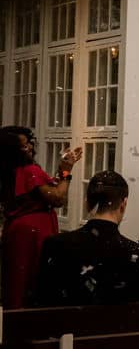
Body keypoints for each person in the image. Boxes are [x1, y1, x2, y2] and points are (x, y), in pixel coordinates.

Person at [0, 127, 82, 308]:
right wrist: (67, 172)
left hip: (17, 230)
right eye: (23, 146)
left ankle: (13, 324)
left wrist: (62, 171)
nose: (29, 147)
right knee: (35, 279)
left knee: (17, 281)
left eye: (29, 143)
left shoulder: (11, 171)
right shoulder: (29, 170)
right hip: (34, 232)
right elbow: (57, 197)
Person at [34, 171, 139, 307]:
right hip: (117, 327)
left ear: (87, 202)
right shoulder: (136, 254)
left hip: (65, 326)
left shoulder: (56, 245)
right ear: (123, 204)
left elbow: (42, 301)